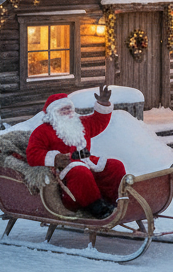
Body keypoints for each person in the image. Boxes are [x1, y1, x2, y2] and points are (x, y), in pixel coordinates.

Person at [26, 85, 124, 219]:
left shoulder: (81, 123)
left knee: (115, 166)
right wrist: (55, 158)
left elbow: (98, 122)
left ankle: (117, 201)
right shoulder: (42, 131)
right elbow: (32, 154)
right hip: (64, 171)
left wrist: (103, 104)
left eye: (69, 108)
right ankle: (97, 208)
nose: (67, 111)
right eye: (63, 109)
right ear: (53, 113)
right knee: (80, 172)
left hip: (86, 161)